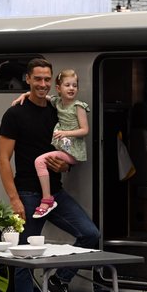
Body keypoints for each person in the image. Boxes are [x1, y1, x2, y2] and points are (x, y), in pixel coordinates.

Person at [0, 58, 100, 292]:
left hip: (54, 193)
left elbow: (67, 152)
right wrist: (14, 198)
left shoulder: (57, 109)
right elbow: (3, 160)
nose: (42, 84)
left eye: (46, 79)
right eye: (37, 79)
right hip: (28, 194)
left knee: (90, 235)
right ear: (27, 79)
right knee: (23, 257)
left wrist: (65, 167)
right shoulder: (14, 113)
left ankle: (58, 280)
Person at [14, 69, 90, 218]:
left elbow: (85, 130)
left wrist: (66, 133)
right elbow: (43, 96)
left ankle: (47, 199)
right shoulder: (57, 103)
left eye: (74, 86)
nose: (71, 88)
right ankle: (47, 197)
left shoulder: (78, 106)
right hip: (64, 145)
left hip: (72, 149)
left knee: (39, 161)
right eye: (67, 85)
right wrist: (24, 94)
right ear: (58, 89)